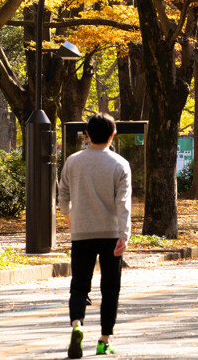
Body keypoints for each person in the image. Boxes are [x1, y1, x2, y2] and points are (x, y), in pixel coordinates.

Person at [58, 113, 132, 359]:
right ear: (113, 135)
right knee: (110, 288)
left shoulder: (72, 161)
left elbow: (63, 195)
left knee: (79, 286)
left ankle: (77, 325)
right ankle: (103, 340)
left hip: (82, 232)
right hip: (111, 233)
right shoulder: (120, 164)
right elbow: (123, 202)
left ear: (87, 135)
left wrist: (68, 216)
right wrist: (124, 234)